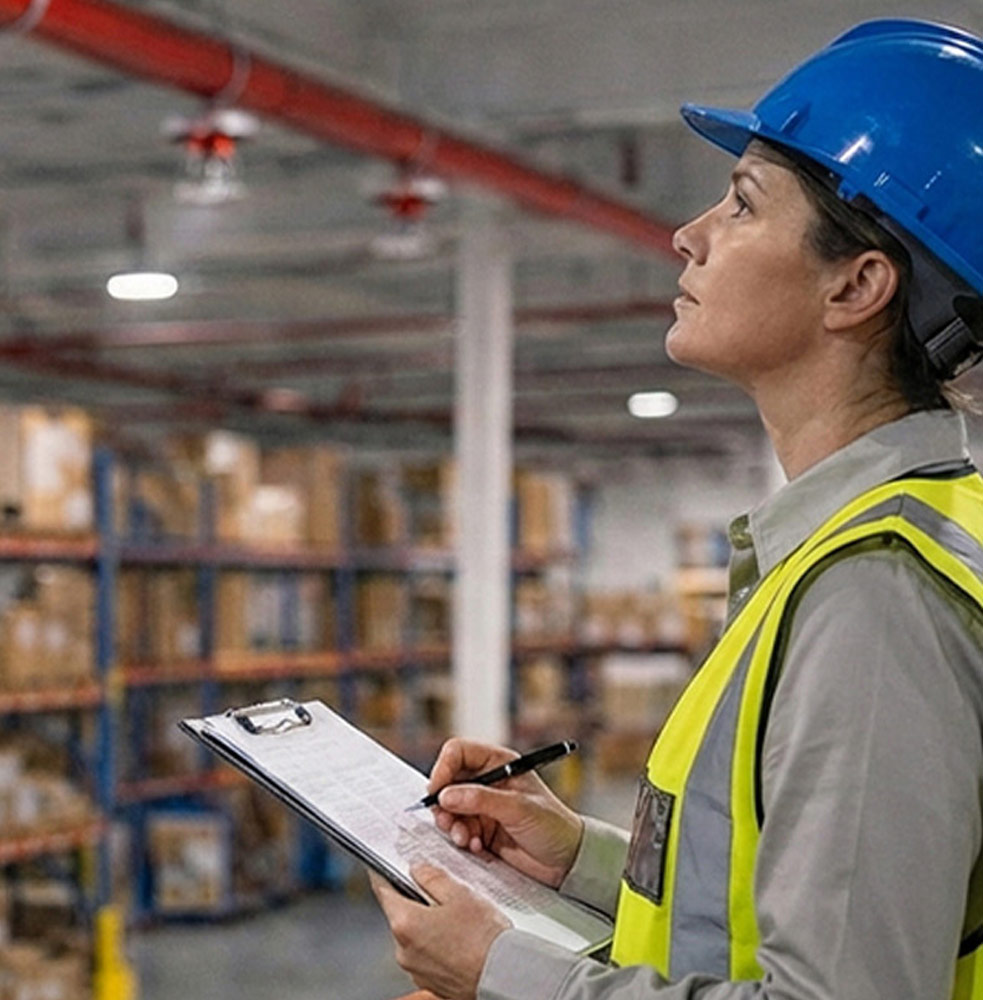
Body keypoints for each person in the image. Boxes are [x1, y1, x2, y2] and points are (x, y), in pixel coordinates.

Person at [371, 18, 983, 1000]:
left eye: (741, 204)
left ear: (857, 284)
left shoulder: (875, 596)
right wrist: (573, 856)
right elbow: (760, 903)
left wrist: (505, 974)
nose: (686, 233)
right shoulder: (865, 548)